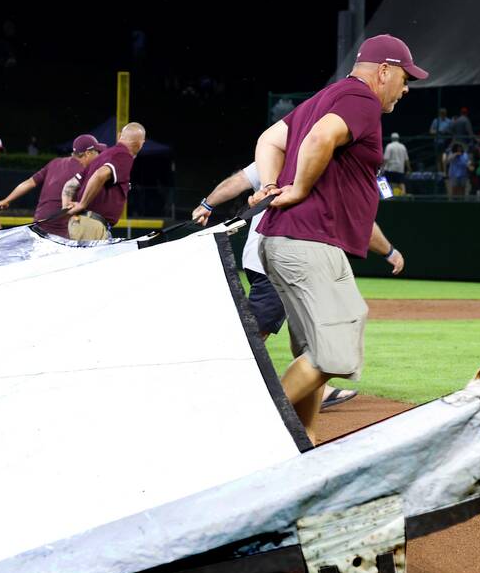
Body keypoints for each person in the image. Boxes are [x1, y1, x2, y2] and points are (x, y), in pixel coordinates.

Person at [253, 33, 422, 444]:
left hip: (289, 240)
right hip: (309, 241)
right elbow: (319, 138)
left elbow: (269, 140)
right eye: (405, 78)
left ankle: (305, 441)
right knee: (335, 351)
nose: (405, 89)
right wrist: (297, 189)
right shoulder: (361, 98)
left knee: (313, 348)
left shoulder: (323, 97)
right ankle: (251, 435)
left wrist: (275, 182)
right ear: (384, 70)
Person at [192, 162, 405, 411]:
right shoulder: (328, 164)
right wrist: (389, 251)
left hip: (260, 256)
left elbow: (237, 181)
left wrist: (207, 204)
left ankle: (315, 390)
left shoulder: (276, 154)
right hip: (289, 258)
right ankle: (216, 388)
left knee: (304, 329)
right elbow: (362, 224)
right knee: (254, 334)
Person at [0, 134, 106, 238]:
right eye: (97, 152)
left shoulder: (55, 162)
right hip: (60, 230)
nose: (99, 155)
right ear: (87, 153)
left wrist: (7, 200)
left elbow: (29, 183)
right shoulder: (85, 171)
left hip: (39, 225)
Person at [65, 123, 147, 241]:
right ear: (141, 143)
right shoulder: (124, 155)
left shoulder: (102, 155)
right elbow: (99, 175)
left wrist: (67, 207)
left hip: (82, 222)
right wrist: (82, 204)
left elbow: (70, 185)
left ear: (120, 136)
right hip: (91, 224)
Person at [430, 107, 452, 171]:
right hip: (437, 141)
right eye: (441, 113)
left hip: (446, 142)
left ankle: (444, 172)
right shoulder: (435, 121)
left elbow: (452, 131)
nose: (443, 114)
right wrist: (438, 131)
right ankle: (439, 172)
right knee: (438, 158)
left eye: (444, 113)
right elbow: (431, 131)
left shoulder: (449, 121)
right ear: (439, 113)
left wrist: (446, 132)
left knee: (445, 157)